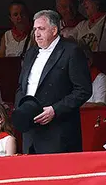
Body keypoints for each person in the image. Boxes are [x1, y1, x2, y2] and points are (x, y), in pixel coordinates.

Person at [14, 10, 91, 154]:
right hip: (31, 131)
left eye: (41, 29)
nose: (36, 34)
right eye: (35, 29)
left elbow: (83, 90)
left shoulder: (71, 51)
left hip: (58, 132)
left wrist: (55, 110)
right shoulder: (31, 53)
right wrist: (22, 110)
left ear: (54, 30)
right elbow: (21, 87)